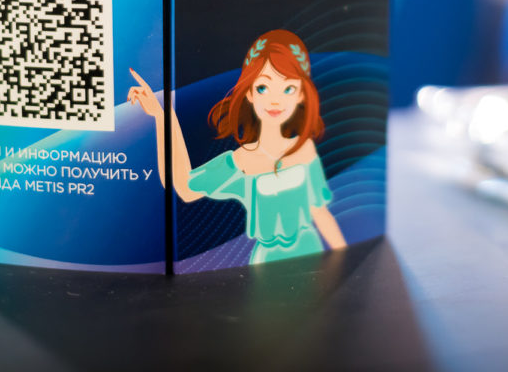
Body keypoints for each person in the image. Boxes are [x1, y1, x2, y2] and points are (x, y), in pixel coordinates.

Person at [129, 29, 347, 264]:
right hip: (268, 263)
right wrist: (163, 116)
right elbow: (184, 187)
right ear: (250, 92)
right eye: (263, 87)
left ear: (302, 95)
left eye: (288, 89)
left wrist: (343, 260)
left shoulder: (304, 149)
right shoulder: (243, 160)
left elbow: (319, 212)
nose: (275, 100)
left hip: (310, 252)